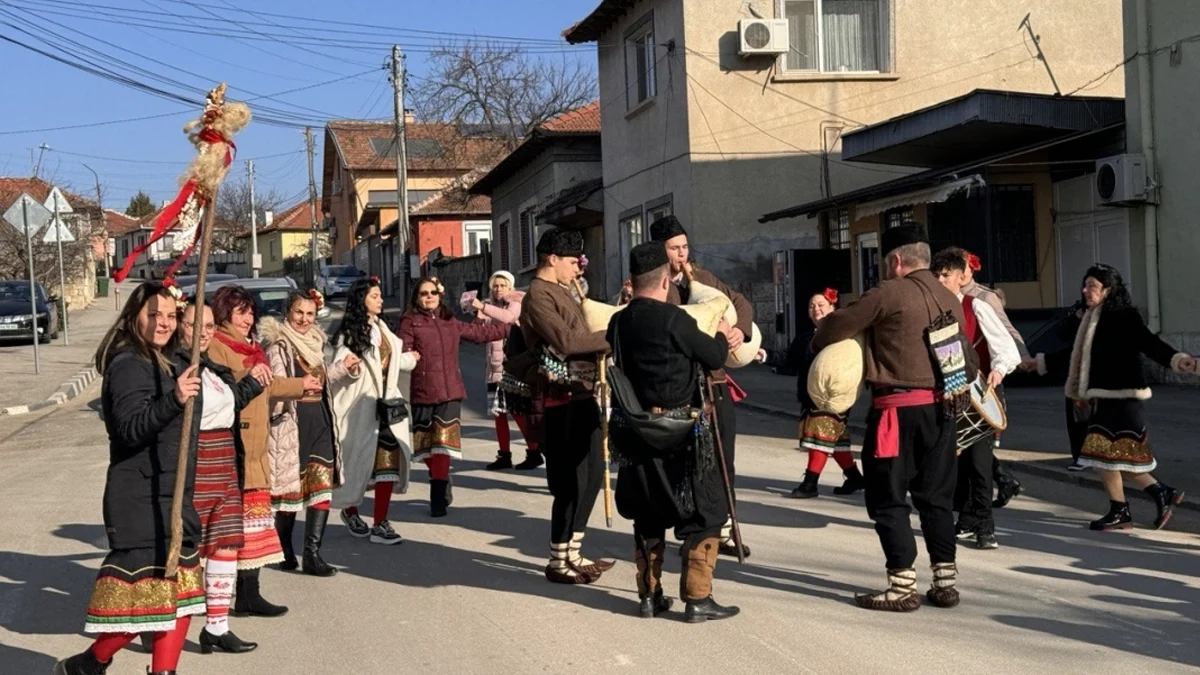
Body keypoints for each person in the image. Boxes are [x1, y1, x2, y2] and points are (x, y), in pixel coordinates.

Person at [813, 222, 975, 612]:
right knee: (937, 497)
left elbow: (837, 325)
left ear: (896, 260)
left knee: (887, 497)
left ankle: (902, 585)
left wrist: (821, 336)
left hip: (896, 413)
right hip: (944, 409)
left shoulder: (888, 292)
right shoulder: (949, 296)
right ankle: (945, 581)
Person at [55, 282, 205, 675]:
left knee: (180, 595)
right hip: (140, 497)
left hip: (173, 493)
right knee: (145, 601)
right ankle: (91, 662)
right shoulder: (127, 364)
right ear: (134, 316)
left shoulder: (170, 360)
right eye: (154, 315)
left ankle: (160, 672)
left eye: (171, 316)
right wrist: (174, 399)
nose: (164, 323)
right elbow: (129, 428)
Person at [609, 241, 741, 623]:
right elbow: (715, 358)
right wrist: (720, 332)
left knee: (648, 512)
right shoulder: (674, 319)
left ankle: (649, 596)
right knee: (705, 511)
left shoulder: (620, 321)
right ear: (666, 281)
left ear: (633, 282)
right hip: (683, 431)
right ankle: (698, 599)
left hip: (637, 429)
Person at [1033, 264, 1196, 530]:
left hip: (1123, 399)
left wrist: (1177, 360)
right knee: (1118, 458)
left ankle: (1122, 511)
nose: (1086, 291)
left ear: (1108, 290)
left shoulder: (1123, 316)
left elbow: (1149, 343)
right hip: (1105, 399)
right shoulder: (1092, 316)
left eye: (1093, 287)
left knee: (1100, 455)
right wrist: (1041, 362)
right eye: (1085, 286)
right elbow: (1078, 356)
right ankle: (1160, 493)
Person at [207, 285, 320, 618]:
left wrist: (301, 385)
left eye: (250, 311)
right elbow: (228, 385)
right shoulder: (218, 346)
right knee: (233, 532)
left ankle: (248, 594)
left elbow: (266, 382)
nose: (248, 318)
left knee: (252, 531)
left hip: (256, 449)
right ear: (224, 313)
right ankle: (226, 602)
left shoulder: (250, 346)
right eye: (241, 312)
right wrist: (251, 375)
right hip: (235, 449)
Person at [649, 214, 754, 559]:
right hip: (679, 388)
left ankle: (723, 530)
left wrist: (741, 330)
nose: (682, 254)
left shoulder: (705, 278)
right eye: (674, 248)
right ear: (660, 251)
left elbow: (739, 303)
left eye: (684, 246)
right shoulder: (651, 285)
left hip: (715, 382)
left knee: (725, 457)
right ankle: (693, 531)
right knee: (689, 463)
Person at [520, 228, 614, 584]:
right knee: (570, 483)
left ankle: (573, 551)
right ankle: (558, 559)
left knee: (590, 480)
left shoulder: (563, 292)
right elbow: (567, 341)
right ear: (552, 259)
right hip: (560, 398)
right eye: (573, 262)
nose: (578, 270)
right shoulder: (538, 296)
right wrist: (616, 331)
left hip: (583, 393)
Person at [177, 298, 270, 655]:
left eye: (208, 327)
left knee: (226, 546)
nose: (201, 333)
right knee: (189, 550)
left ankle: (216, 626)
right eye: (192, 325)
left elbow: (226, 405)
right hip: (195, 467)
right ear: (178, 326)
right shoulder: (173, 367)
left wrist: (254, 383)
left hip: (226, 465)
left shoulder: (213, 367)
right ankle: (164, 618)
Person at [398, 276, 510, 517]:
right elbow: (403, 351)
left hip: (450, 393)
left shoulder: (450, 321)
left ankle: (437, 499)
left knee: (442, 447)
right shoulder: (410, 321)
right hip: (422, 392)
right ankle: (442, 477)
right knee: (425, 449)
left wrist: (512, 326)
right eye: (423, 293)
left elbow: (480, 333)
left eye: (433, 293)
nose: (429, 297)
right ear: (416, 298)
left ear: (439, 296)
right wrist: (407, 356)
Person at [261, 289, 354, 576]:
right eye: (299, 312)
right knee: (291, 488)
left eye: (310, 314)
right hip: (292, 422)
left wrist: (342, 368)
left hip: (320, 420)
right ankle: (285, 550)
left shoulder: (315, 341)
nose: (304, 319)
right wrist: (299, 384)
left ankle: (313, 554)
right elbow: (276, 384)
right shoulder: (278, 344)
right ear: (288, 311)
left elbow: (321, 379)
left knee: (321, 486)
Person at [931, 250, 1020, 551]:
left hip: (977, 396)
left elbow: (1006, 347)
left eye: (947, 275)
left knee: (980, 465)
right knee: (956, 466)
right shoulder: (930, 311)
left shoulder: (976, 305)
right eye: (938, 275)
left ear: (961, 278)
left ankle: (985, 525)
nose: (941, 280)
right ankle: (966, 518)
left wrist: (997, 370)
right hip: (942, 397)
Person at [329, 277, 419, 544]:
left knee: (387, 466)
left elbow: (387, 362)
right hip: (361, 408)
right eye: (375, 296)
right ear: (361, 300)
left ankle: (381, 522)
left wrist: (408, 360)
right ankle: (351, 510)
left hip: (388, 408)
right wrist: (351, 369)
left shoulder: (382, 328)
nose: (381, 300)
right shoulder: (348, 333)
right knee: (357, 463)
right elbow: (341, 366)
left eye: (380, 296)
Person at [757, 287, 866, 498]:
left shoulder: (843, 337)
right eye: (812, 306)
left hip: (833, 397)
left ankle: (810, 483)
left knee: (820, 436)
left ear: (833, 308)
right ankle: (854, 478)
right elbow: (790, 361)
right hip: (811, 396)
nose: (816, 309)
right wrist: (765, 355)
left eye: (821, 305)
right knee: (835, 438)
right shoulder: (804, 337)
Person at [958, 249, 1027, 506]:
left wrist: (1022, 356)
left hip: (983, 380)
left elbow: (1005, 330)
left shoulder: (983, 298)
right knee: (966, 444)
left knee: (976, 443)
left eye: (963, 268)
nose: (959, 274)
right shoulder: (945, 297)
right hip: (958, 382)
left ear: (971, 270)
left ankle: (980, 508)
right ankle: (1002, 482)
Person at [472, 271, 542, 471]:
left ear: (510, 287)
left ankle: (534, 451)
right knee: (498, 413)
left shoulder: (516, 302)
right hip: (493, 368)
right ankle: (504, 454)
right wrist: (479, 317)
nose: (499, 289)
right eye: (495, 285)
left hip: (511, 368)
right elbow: (479, 332)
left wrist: (484, 307)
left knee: (518, 411)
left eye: (503, 285)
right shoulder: (490, 307)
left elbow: (508, 318)